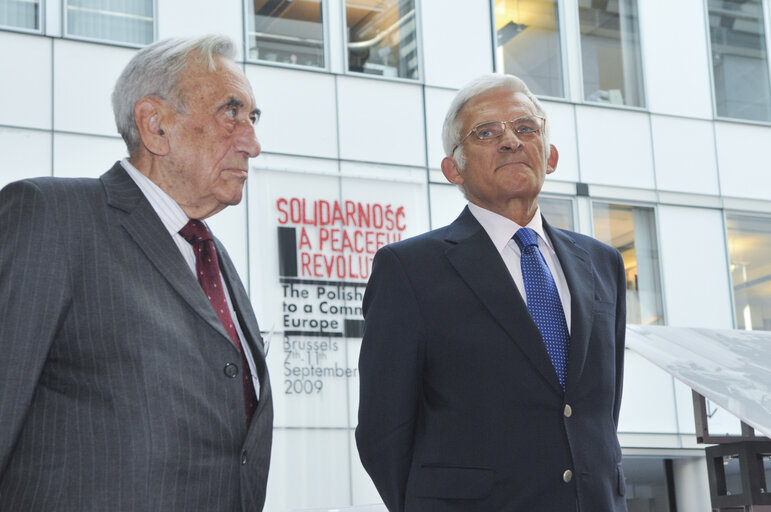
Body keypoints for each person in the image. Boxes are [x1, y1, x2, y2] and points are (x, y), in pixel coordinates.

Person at [0, 35, 273, 511]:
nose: (252, 143)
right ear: (155, 126)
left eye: (252, 118)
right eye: (231, 113)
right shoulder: (50, 217)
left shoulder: (212, 255)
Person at [356, 73, 627, 511]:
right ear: (453, 169)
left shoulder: (603, 265)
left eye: (525, 128)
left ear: (550, 155)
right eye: (486, 132)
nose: (510, 142)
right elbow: (383, 432)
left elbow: (597, 414)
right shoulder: (409, 269)